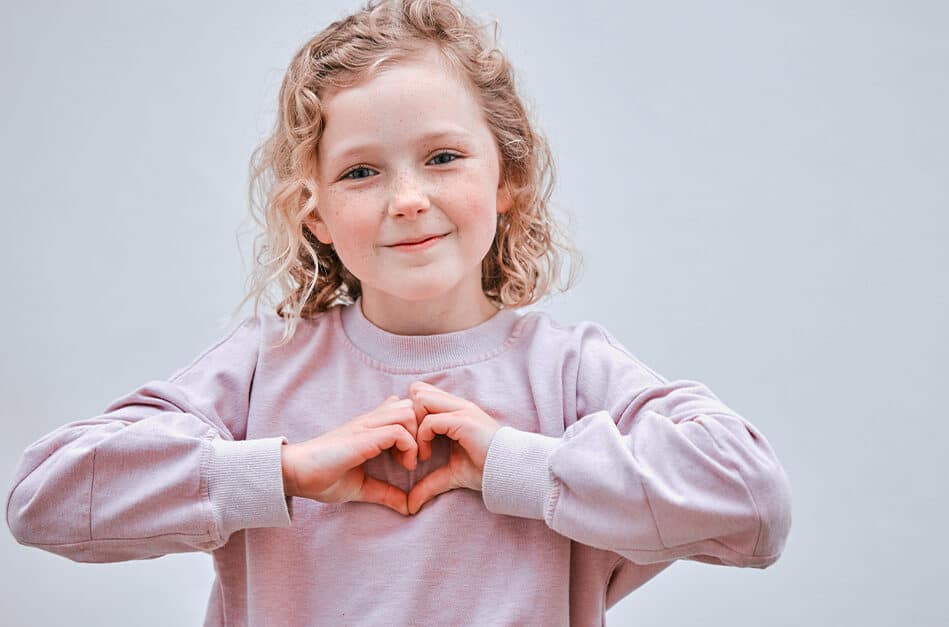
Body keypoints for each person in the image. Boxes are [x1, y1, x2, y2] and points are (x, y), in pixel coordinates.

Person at [5, 0, 792, 625]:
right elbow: (43, 499)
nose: (408, 199)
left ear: (506, 177)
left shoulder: (569, 372)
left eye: (443, 157)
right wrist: (282, 470)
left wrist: (519, 463)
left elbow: (754, 508)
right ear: (312, 212)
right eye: (360, 171)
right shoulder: (260, 368)